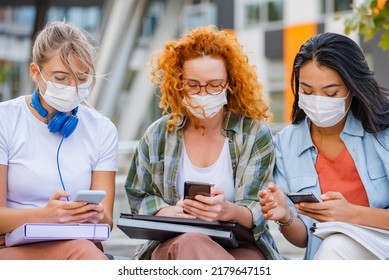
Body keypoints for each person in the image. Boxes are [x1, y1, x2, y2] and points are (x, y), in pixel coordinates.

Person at [124, 25, 281, 260]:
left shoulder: (254, 135)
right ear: (179, 83)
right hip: (174, 243)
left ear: (230, 83)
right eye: (193, 84)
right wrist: (168, 211)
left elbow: (257, 210)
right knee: (191, 242)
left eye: (214, 84)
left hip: (239, 245)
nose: (204, 93)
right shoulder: (158, 134)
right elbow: (138, 195)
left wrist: (227, 210)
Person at [258, 32, 389, 260]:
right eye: (307, 92)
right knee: (332, 247)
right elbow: (304, 239)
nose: (318, 100)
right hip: (329, 256)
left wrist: (351, 214)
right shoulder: (286, 143)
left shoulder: (382, 132)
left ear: (353, 88)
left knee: (335, 246)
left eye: (331, 93)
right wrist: (285, 216)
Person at [0, 21, 118, 260]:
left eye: (81, 78)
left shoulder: (102, 128)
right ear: (35, 72)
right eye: (61, 78)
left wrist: (96, 216)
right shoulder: (5, 119)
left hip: (79, 245)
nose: (72, 87)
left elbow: (107, 223)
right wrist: (44, 215)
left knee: (85, 252)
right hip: (13, 248)